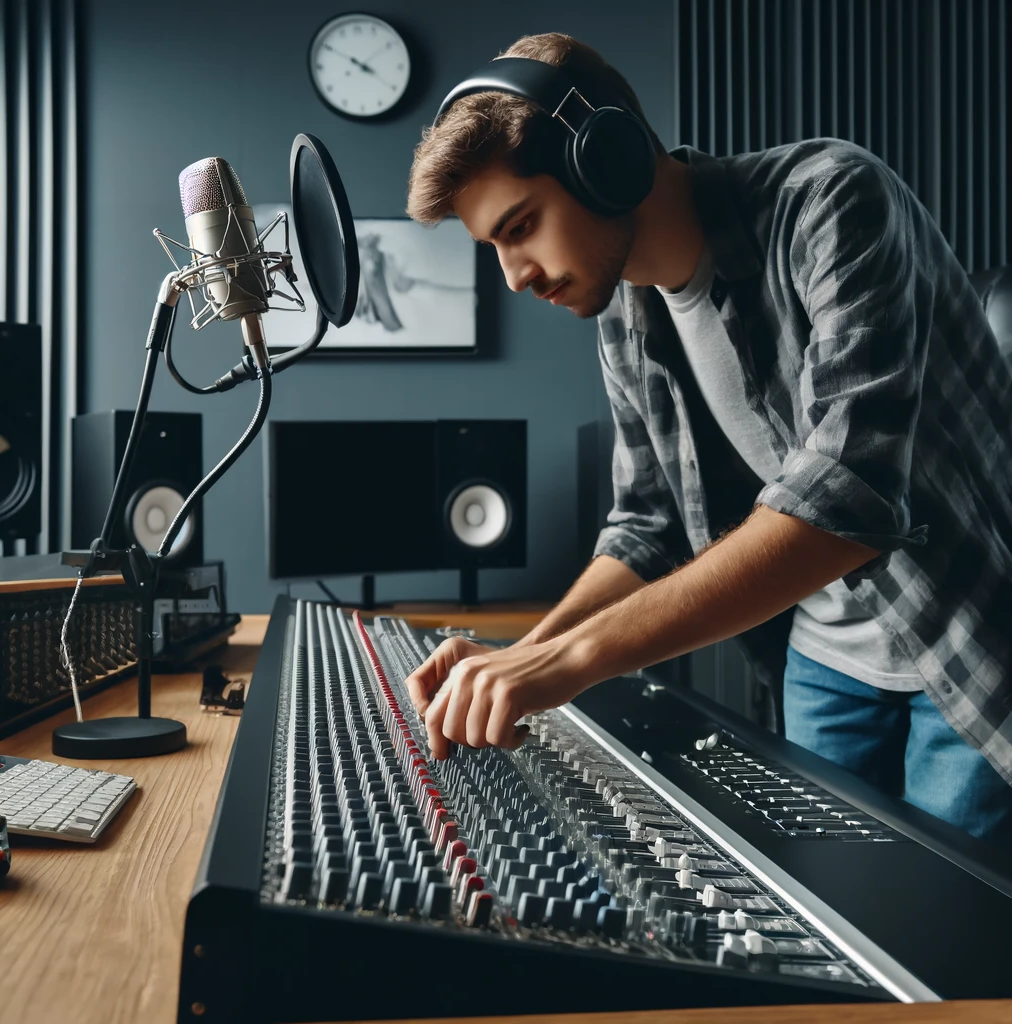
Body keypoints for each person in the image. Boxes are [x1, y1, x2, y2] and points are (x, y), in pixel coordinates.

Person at [403, 32, 1012, 843]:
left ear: (607, 159)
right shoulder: (623, 313)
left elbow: (849, 496)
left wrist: (569, 664)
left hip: (970, 635)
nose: (515, 275)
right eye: (495, 249)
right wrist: (519, 658)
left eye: (522, 226)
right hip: (824, 663)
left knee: (948, 953)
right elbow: (646, 529)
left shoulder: (829, 199)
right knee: (836, 935)